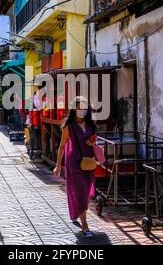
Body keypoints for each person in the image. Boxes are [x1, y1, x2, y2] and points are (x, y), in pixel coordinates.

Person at [53, 96, 97, 239]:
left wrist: (93, 144)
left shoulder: (91, 124)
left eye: (83, 108)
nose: (81, 111)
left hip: (89, 161)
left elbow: (94, 140)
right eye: (78, 108)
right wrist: (58, 164)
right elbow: (62, 145)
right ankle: (85, 226)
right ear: (74, 109)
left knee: (85, 193)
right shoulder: (68, 125)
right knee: (79, 192)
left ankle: (77, 213)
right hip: (74, 162)